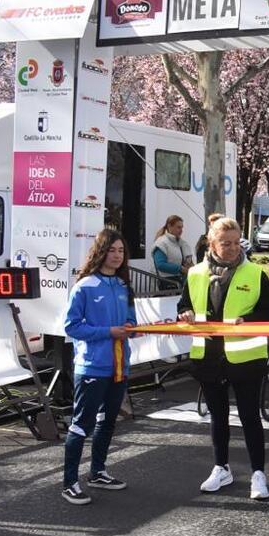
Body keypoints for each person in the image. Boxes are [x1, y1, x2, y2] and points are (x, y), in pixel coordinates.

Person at [178, 217, 269, 500]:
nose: (233, 248)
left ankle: (258, 474)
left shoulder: (255, 274)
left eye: (236, 243)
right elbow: (184, 304)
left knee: (249, 417)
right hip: (208, 357)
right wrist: (185, 313)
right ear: (212, 244)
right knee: (218, 417)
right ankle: (221, 467)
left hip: (246, 359)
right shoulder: (195, 273)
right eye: (226, 243)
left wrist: (247, 319)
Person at [61, 229, 137, 505]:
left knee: (107, 423)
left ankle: (97, 472)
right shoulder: (85, 286)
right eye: (112, 250)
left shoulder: (123, 286)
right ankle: (70, 482)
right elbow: (71, 327)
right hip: (92, 367)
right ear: (101, 251)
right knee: (82, 424)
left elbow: (131, 322)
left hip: (120, 366)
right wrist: (109, 332)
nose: (117, 256)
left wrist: (133, 330)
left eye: (121, 251)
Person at [152, 215, 195, 286]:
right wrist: (181, 269)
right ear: (169, 226)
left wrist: (191, 266)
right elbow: (160, 265)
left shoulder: (183, 243)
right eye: (178, 227)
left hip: (183, 281)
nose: (181, 230)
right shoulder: (161, 243)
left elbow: (189, 261)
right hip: (168, 283)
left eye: (182, 227)